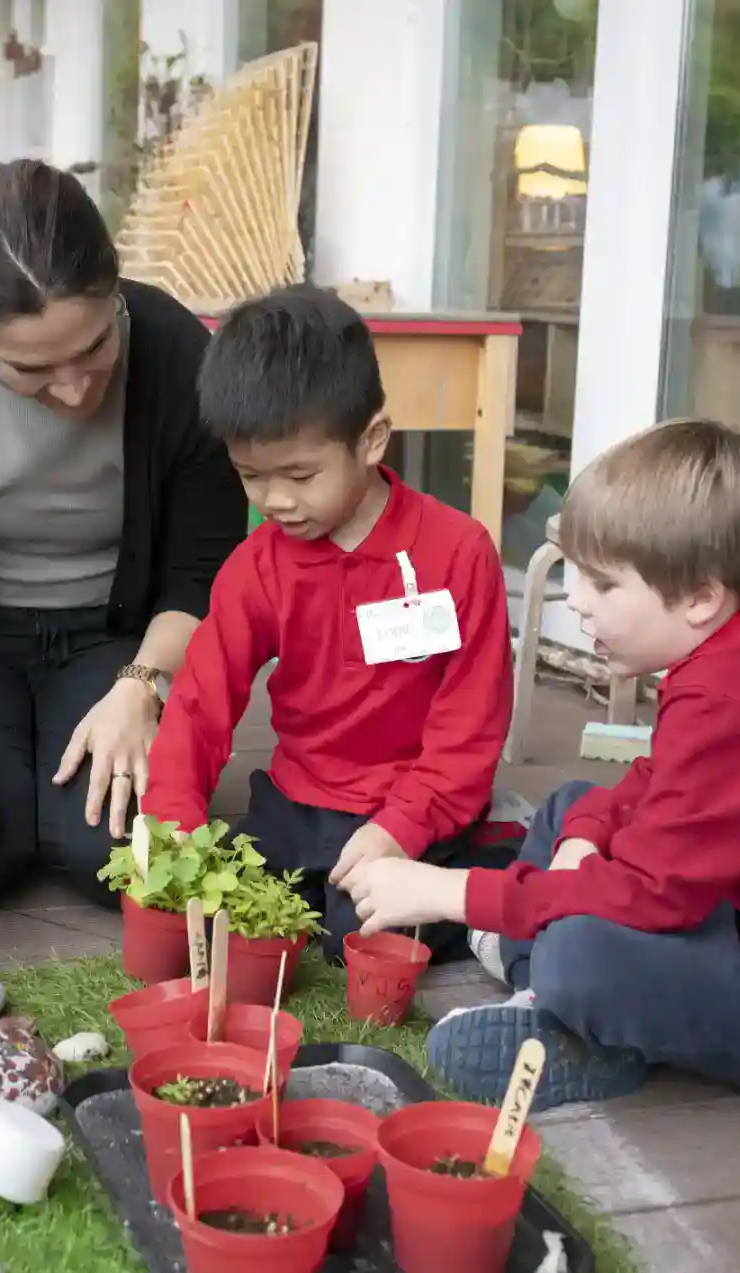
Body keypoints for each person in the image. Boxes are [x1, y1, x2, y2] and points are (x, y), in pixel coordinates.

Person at [340, 417, 740, 1111]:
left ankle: (564, 1000)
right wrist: (584, 838)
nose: (576, 599)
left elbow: (652, 895)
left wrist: (449, 892)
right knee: (574, 806)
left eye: (602, 583)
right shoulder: (737, 657)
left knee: (582, 956)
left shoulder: (737, 697)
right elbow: (654, 784)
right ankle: (551, 987)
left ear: (700, 598)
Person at [0, 159, 248, 916]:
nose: (73, 388)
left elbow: (203, 570)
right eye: (31, 367)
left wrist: (142, 686)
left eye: (94, 348)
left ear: (115, 289)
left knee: (117, 857)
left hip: (119, 638)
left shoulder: (178, 355)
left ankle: (71, 770)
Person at [140, 284, 518, 961]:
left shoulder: (457, 551)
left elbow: (469, 728)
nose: (275, 500)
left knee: (357, 935)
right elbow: (199, 704)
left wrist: (399, 827)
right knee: (240, 917)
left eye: (299, 475)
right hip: (298, 801)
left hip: (414, 799)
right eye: (250, 476)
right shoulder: (257, 566)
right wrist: (174, 826)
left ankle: (495, 857)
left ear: (371, 439)